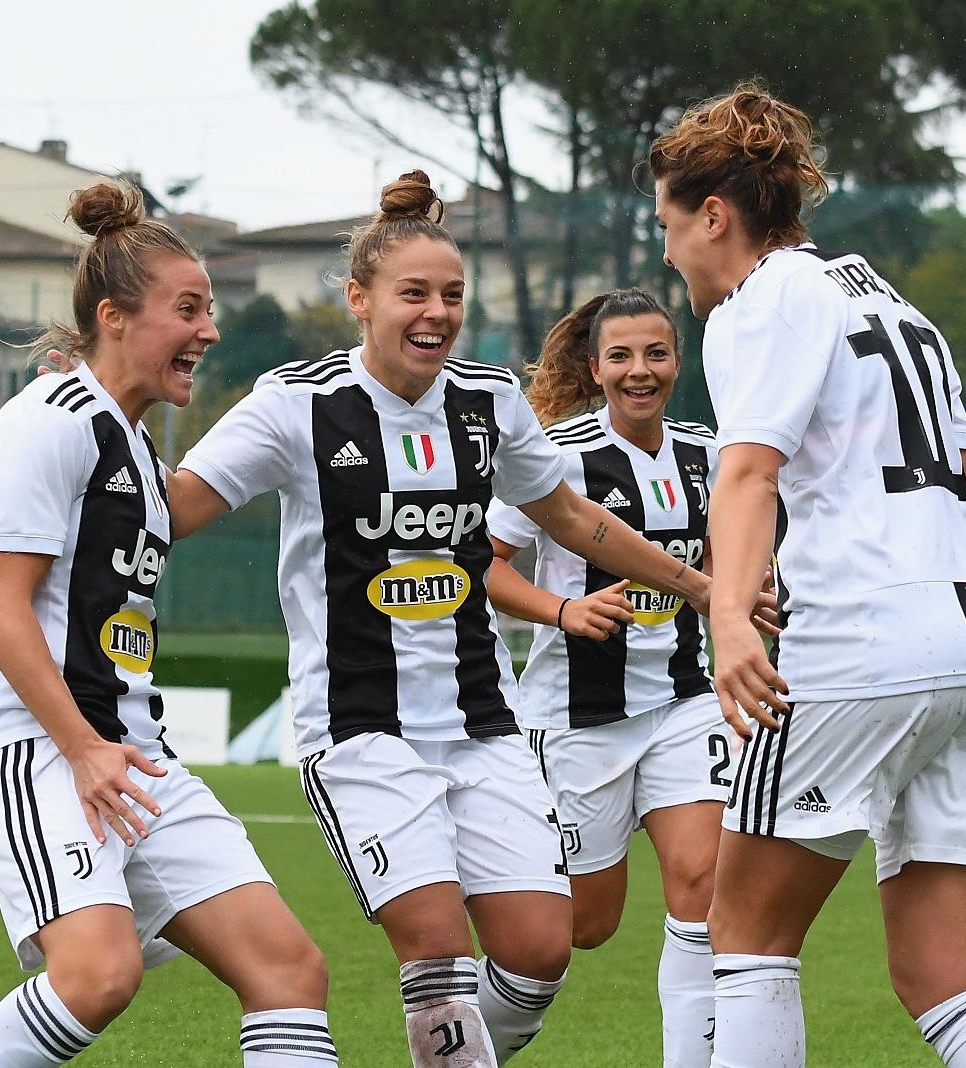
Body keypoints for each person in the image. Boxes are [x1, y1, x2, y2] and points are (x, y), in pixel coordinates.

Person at [170, 172, 772, 1068]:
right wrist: (100, 420)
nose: (437, 314)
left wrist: (699, 588)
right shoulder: (297, 403)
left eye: (452, 296)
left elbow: (572, 519)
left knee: (541, 949)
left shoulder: (488, 400)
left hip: (486, 725)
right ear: (359, 299)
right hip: (362, 729)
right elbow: (173, 508)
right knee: (440, 953)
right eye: (413, 294)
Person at [649, 83, 966, 1067]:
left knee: (746, 936)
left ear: (714, 216)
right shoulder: (898, 309)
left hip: (862, 641)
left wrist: (729, 620)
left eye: (668, 227)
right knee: (949, 976)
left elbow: (748, 473)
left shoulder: (762, 303)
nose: (669, 253)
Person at [0, 180, 337, 1067]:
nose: (210, 331)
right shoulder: (47, 422)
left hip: (130, 760)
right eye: (188, 310)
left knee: (288, 970)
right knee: (98, 976)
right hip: (43, 751)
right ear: (114, 317)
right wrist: (73, 760)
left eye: (210, 311)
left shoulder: (130, 440)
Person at [485, 288, 731, 1067]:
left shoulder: (708, 454)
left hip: (685, 702)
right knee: (585, 927)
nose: (640, 370)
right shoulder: (558, 457)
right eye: (620, 356)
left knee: (704, 889)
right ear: (594, 369)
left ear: (678, 361)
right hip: (577, 716)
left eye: (656, 353)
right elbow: (483, 565)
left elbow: (719, 563)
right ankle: (463, 1041)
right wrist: (562, 610)